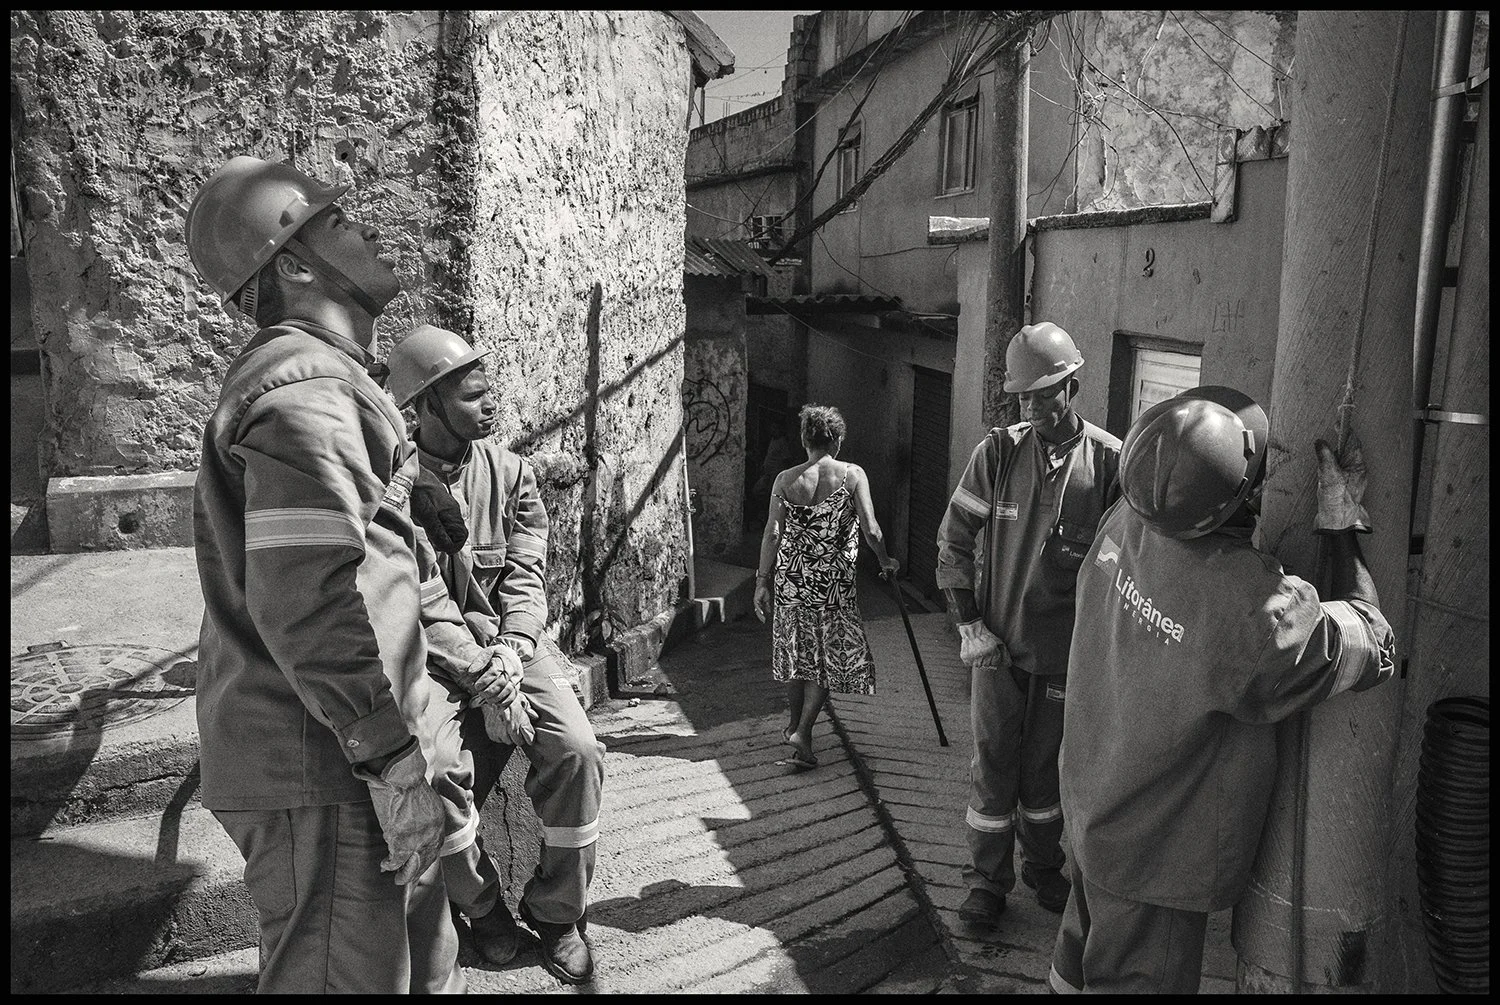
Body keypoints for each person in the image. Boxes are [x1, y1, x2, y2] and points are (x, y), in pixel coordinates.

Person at [185, 156, 473, 992]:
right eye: (337, 221)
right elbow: (311, 599)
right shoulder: (307, 386)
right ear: (296, 264)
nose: (367, 228)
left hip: (348, 754)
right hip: (329, 764)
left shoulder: (327, 380)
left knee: (418, 970)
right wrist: (389, 756)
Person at [1048, 386, 1396, 994]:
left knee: (1076, 965)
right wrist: (1342, 524)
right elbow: (1374, 642)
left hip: (1089, 805)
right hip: (1153, 853)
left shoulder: (1128, 517)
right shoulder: (1249, 608)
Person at [386, 325, 607, 985]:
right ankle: (481, 911)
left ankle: (559, 912)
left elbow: (525, 581)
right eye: (472, 396)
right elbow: (421, 606)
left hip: (515, 647)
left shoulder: (513, 476)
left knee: (578, 749)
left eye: (490, 392)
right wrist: (489, 681)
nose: (491, 406)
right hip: (438, 657)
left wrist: (512, 651)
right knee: (432, 771)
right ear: (423, 405)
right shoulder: (395, 495)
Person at [935, 322, 1122, 927]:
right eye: (1024, 396)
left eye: (1046, 393)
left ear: (1074, 386)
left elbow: (1135, 561)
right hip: (998, 651)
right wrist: (968, 626)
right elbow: (953, 541)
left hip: (1066, 657)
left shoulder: (1112, 462)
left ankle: (1044, 867)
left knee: (1046, 772)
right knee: (992, 769)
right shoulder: (999, 452)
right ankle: (988, 882)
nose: (1034, 406)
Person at [753, 404, 900, 768]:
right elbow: (872, 529)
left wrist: (761, 581)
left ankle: (793, 725)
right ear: (836, 440)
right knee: (827, 658)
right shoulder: (852, 475)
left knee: (796, 652)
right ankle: (803, 731)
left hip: (792, 579)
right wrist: (885, 560)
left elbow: (772, 533)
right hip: (834, 583)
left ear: (805, 439)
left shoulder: (785, 480)